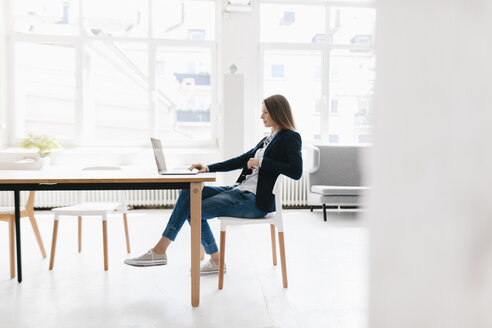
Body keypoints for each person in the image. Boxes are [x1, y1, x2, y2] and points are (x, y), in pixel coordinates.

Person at [124, 94, 302, 274]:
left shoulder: (290, 137)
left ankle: (164, 251)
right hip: (238, 190)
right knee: (188, 193)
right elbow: (241, 160)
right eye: (262, 112)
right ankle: (174, 253)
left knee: (193, 209)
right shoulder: (268, 139)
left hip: (254, 201)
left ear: (277, 112)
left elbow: (296, 171)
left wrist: (262, 162)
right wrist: (208, 168)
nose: (261, 116)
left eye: (265, 112)